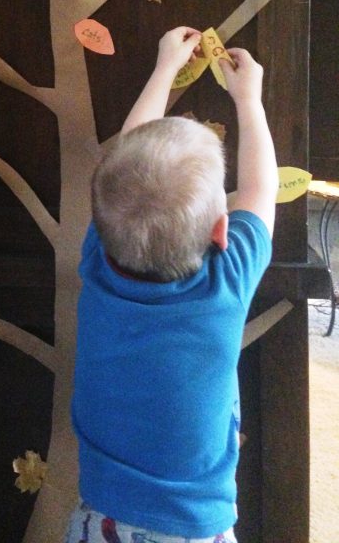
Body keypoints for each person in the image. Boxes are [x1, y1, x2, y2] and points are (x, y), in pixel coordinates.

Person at [67, 27, 278, 543]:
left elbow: (126, 167)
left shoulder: (100, 260)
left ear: (99, 214)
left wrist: (163, 70)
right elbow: (260, 188)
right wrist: (248, 101)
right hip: (191, 530)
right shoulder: (226, 282)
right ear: (220, 232)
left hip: (99, 521)